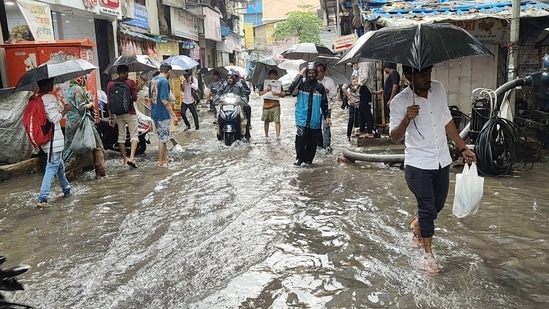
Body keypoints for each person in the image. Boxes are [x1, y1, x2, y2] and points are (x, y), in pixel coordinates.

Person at [389, 65, 477, 273]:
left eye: (428, 73)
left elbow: (446, 120)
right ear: (408, 77)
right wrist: (407, 118)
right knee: (428, 208)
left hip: (441, 160)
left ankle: (418, 224)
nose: (427, 78)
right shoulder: (400, 101)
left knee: (437, 206)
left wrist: (463, 147)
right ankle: (428, 255)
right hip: (418, 164)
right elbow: (394, 137)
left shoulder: (438, 89)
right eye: (421, 75)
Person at [35, 77, 72, 208]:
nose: (52, 84)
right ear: (45, 84)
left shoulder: (37, 98)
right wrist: (65, 110)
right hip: (53, 140)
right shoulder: (49, 98)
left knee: (59, 165)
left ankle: (66, 189)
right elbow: (53, 118)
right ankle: (43, 198)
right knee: (51, 167)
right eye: (50, 82)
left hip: (46, 139)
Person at [63, 76, 106, 180]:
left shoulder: (68, 90)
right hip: (82, 123)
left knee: (70, 150)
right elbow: (81, 108)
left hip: (70, 124)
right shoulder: (78, 89)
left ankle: (68, 174)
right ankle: (101, 173)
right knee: (97, 146)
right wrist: (90, 104)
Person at [288, 62, 330, 166]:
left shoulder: (320, 87)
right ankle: (299, 158)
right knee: (300, 138)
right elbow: (291, 90)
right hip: (302, 117)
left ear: (316, 74)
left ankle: (309, 160)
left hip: (315, 119)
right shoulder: (301, 84)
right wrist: (299, 74)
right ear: (306, 73)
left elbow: (324, 103)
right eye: (309, 72)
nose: (311, 74)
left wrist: (327, 116)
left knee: (313, 141)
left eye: (313, 72)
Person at [106, 64, 139, 168]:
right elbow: (134, 99)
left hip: (118, 114)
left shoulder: (110, 84)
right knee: (134, 135)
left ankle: (124, 160)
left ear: (117, 73)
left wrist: (111, 117)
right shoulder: (130, 83)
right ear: (126, 73)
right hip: (130, 112)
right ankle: (132, 158)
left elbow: (109, 103)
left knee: (121, 137)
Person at [149, 64, 179, 167]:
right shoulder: (164, 82)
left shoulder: (153, 80)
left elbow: (151, 98)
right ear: (169, 71)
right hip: (162, 113)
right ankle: (161, 162)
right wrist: (173, 114)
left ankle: (166, 158)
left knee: (162, 136)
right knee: (163, 139)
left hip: (154, 112)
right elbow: (164, 100)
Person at [217, 70, 252, 139]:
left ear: (234, 78)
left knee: (247, 110)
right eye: (228, 78)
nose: (229, 79)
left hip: (237, 104)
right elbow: (219, 93)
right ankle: (219, 132)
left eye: (231, 78)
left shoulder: (239, 85)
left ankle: (247, 131)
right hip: (225, 104)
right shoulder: (224, 85)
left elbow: (244, 93)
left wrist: (243, 99)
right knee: (218, 114)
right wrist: (217, 98)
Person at [316, 63, 337, 153]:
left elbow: (335, 93)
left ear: (324, 72)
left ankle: (327, 146)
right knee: (316, 127)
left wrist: (328, 91)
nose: (318, 73)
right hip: (316, 107)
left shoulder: (330, 81)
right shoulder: (314, 82)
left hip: (326, 107)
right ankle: (319, 145)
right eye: (317, 71)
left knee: (326, 126)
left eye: (320, 71)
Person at [258, 69, 284, 139]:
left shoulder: (279, 84)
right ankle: (266, 136)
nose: (273, 76)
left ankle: (278, 136)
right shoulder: (264, 84)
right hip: (266, 105)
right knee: (266, 121)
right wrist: (267, 90)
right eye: (271, 74)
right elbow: (260, 94)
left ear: (276, 76)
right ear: (269, 76)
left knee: (277, 121)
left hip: (276, 104)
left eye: (274, 74)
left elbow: (283, 95)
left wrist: (277, 93)